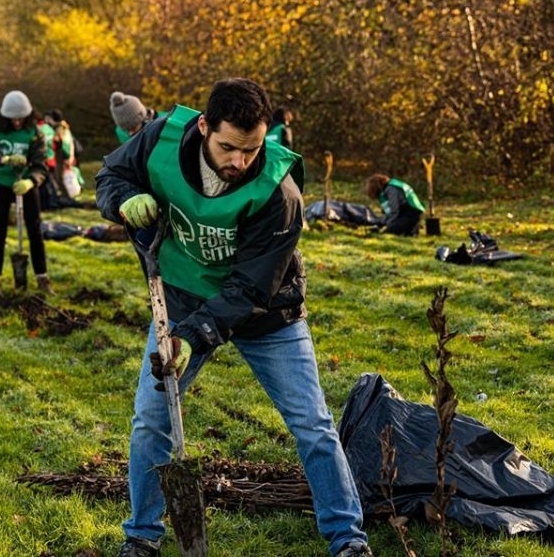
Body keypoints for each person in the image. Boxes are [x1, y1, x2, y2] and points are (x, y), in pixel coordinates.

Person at [95, 78, 372, 557]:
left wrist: (191, 338)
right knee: (150, 422)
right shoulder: (159, 139)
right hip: (179, 298)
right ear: (204, 127)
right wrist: (122, 200)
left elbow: (250, 288)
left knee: (312, 423)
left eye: (251, 149)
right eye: (228, 147)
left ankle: (347, 537)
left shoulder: (279, 193)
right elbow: (110, 176)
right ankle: (141, 536)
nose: (239, 162)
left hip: (266, 316)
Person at [0, 90, 53, 299]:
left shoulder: (35, 132)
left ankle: (42, 277)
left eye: (21, 118)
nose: (17, 122)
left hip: (25, 184)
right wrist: (4, 159)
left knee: (35, 231)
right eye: (13, 119)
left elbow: (41, 163)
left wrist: (31, 181)